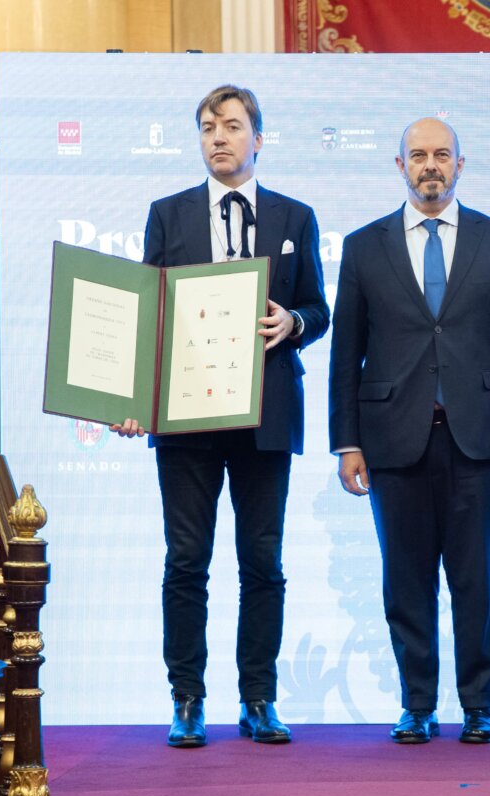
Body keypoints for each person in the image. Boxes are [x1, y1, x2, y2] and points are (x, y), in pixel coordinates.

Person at [111, 85, 330, 748]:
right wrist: (129, 398)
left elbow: (320, 309)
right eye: (208, 127)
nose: (218, 138)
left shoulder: (295, 216)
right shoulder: (168, 214)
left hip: (266, 412)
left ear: (257, 138)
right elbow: (145, 314)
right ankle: (187, 697)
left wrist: (293, 321)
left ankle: (258, 698)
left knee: (262, 560)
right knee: (187, 559)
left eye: (232, 126)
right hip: (185, 418)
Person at [328, 117, 490, 745]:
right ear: (399, 166)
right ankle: (417, 704)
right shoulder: (365, 246)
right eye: (418, 155)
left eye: (441, 155)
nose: (430, 165)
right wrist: (348, 442)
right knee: (406, 581)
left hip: (480, 439)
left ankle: (479, 706)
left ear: (460, 164)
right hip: (393, 440)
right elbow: (346, 353)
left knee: (478, 581)